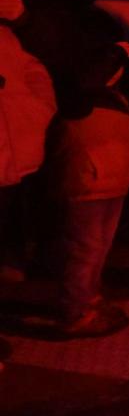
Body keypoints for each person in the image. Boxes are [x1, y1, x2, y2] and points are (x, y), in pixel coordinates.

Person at [51, 43, 129, 338]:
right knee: (84, 250)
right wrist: (116, 54)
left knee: (97, 247)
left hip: (110, 182)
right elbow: (84, 82)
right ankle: (74, 313)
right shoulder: (78, 98)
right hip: (88, 182)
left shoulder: (115, 96)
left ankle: (89, 297)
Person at [0, 24, 57, 260]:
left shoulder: (5, 34)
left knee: (15, 208)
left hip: (18, 143)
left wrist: (39, 109)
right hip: (15, 144)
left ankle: (14, 260)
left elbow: (32, 69)